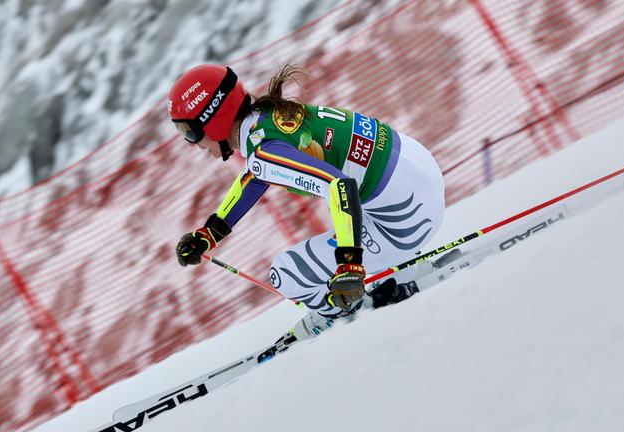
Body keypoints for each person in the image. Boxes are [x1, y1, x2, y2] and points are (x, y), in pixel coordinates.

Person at [169, 63, 445, 326]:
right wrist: (211, 232)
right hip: (420, 174)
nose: (193, 144)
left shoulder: (264, 151)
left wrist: (349, 265)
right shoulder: (266, 119)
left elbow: (339, 186)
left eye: (189, 131)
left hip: (407, 219)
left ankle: (350, 319)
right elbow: (256, 174)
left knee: (285, 274)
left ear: (213, 119)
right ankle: (396, 270)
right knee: (346, 213)